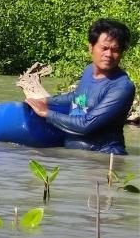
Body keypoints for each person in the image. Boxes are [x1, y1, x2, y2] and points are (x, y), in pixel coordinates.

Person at [26, 18, 136, 155]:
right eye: (104, 48)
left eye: (115, 50)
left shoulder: (121, 87)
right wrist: (46, 101)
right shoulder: (89, 70)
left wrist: (47, 113)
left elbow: (86, 125)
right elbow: (78, 97)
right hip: (78, 161)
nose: (108, 54)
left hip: (103, 159)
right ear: (91, 47)